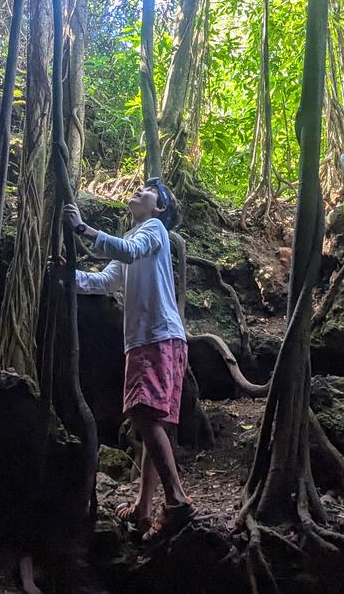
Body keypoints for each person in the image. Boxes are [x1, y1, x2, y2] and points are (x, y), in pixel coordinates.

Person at [62, 178, 194, 541]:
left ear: (160, 208)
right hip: (158, 338)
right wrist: (65, 276)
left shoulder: (153, 230)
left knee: (142, 415)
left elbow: (129, 251)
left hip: (154, 337)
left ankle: (177, 501)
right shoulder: (134, 239)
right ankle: (145, 508)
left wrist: (83, 229)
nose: (140, 189)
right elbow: (105, 280)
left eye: (151, 190)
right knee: (152, 421)